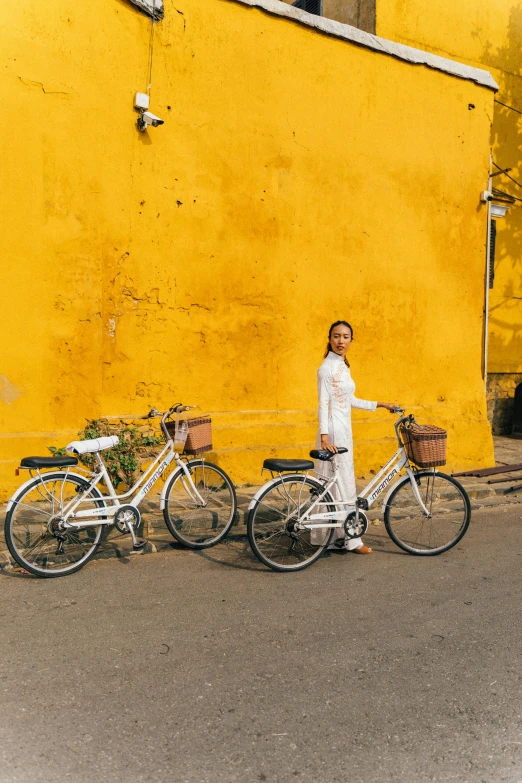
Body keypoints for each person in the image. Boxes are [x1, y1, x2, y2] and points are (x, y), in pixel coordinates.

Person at [315, 320, 399, 554]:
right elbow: (322, 405)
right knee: (338, 482)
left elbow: (350, 400)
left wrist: (380, 404)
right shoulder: (326, 369)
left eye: (345, 337)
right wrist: (324, 437)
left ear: (351, 340)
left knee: (341, 481)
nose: (341, 341)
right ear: (329, 338)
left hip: (343, 428)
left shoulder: (342, 365)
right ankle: (350, 540)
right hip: (332, 429)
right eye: (336, 336)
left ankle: (338, 537)